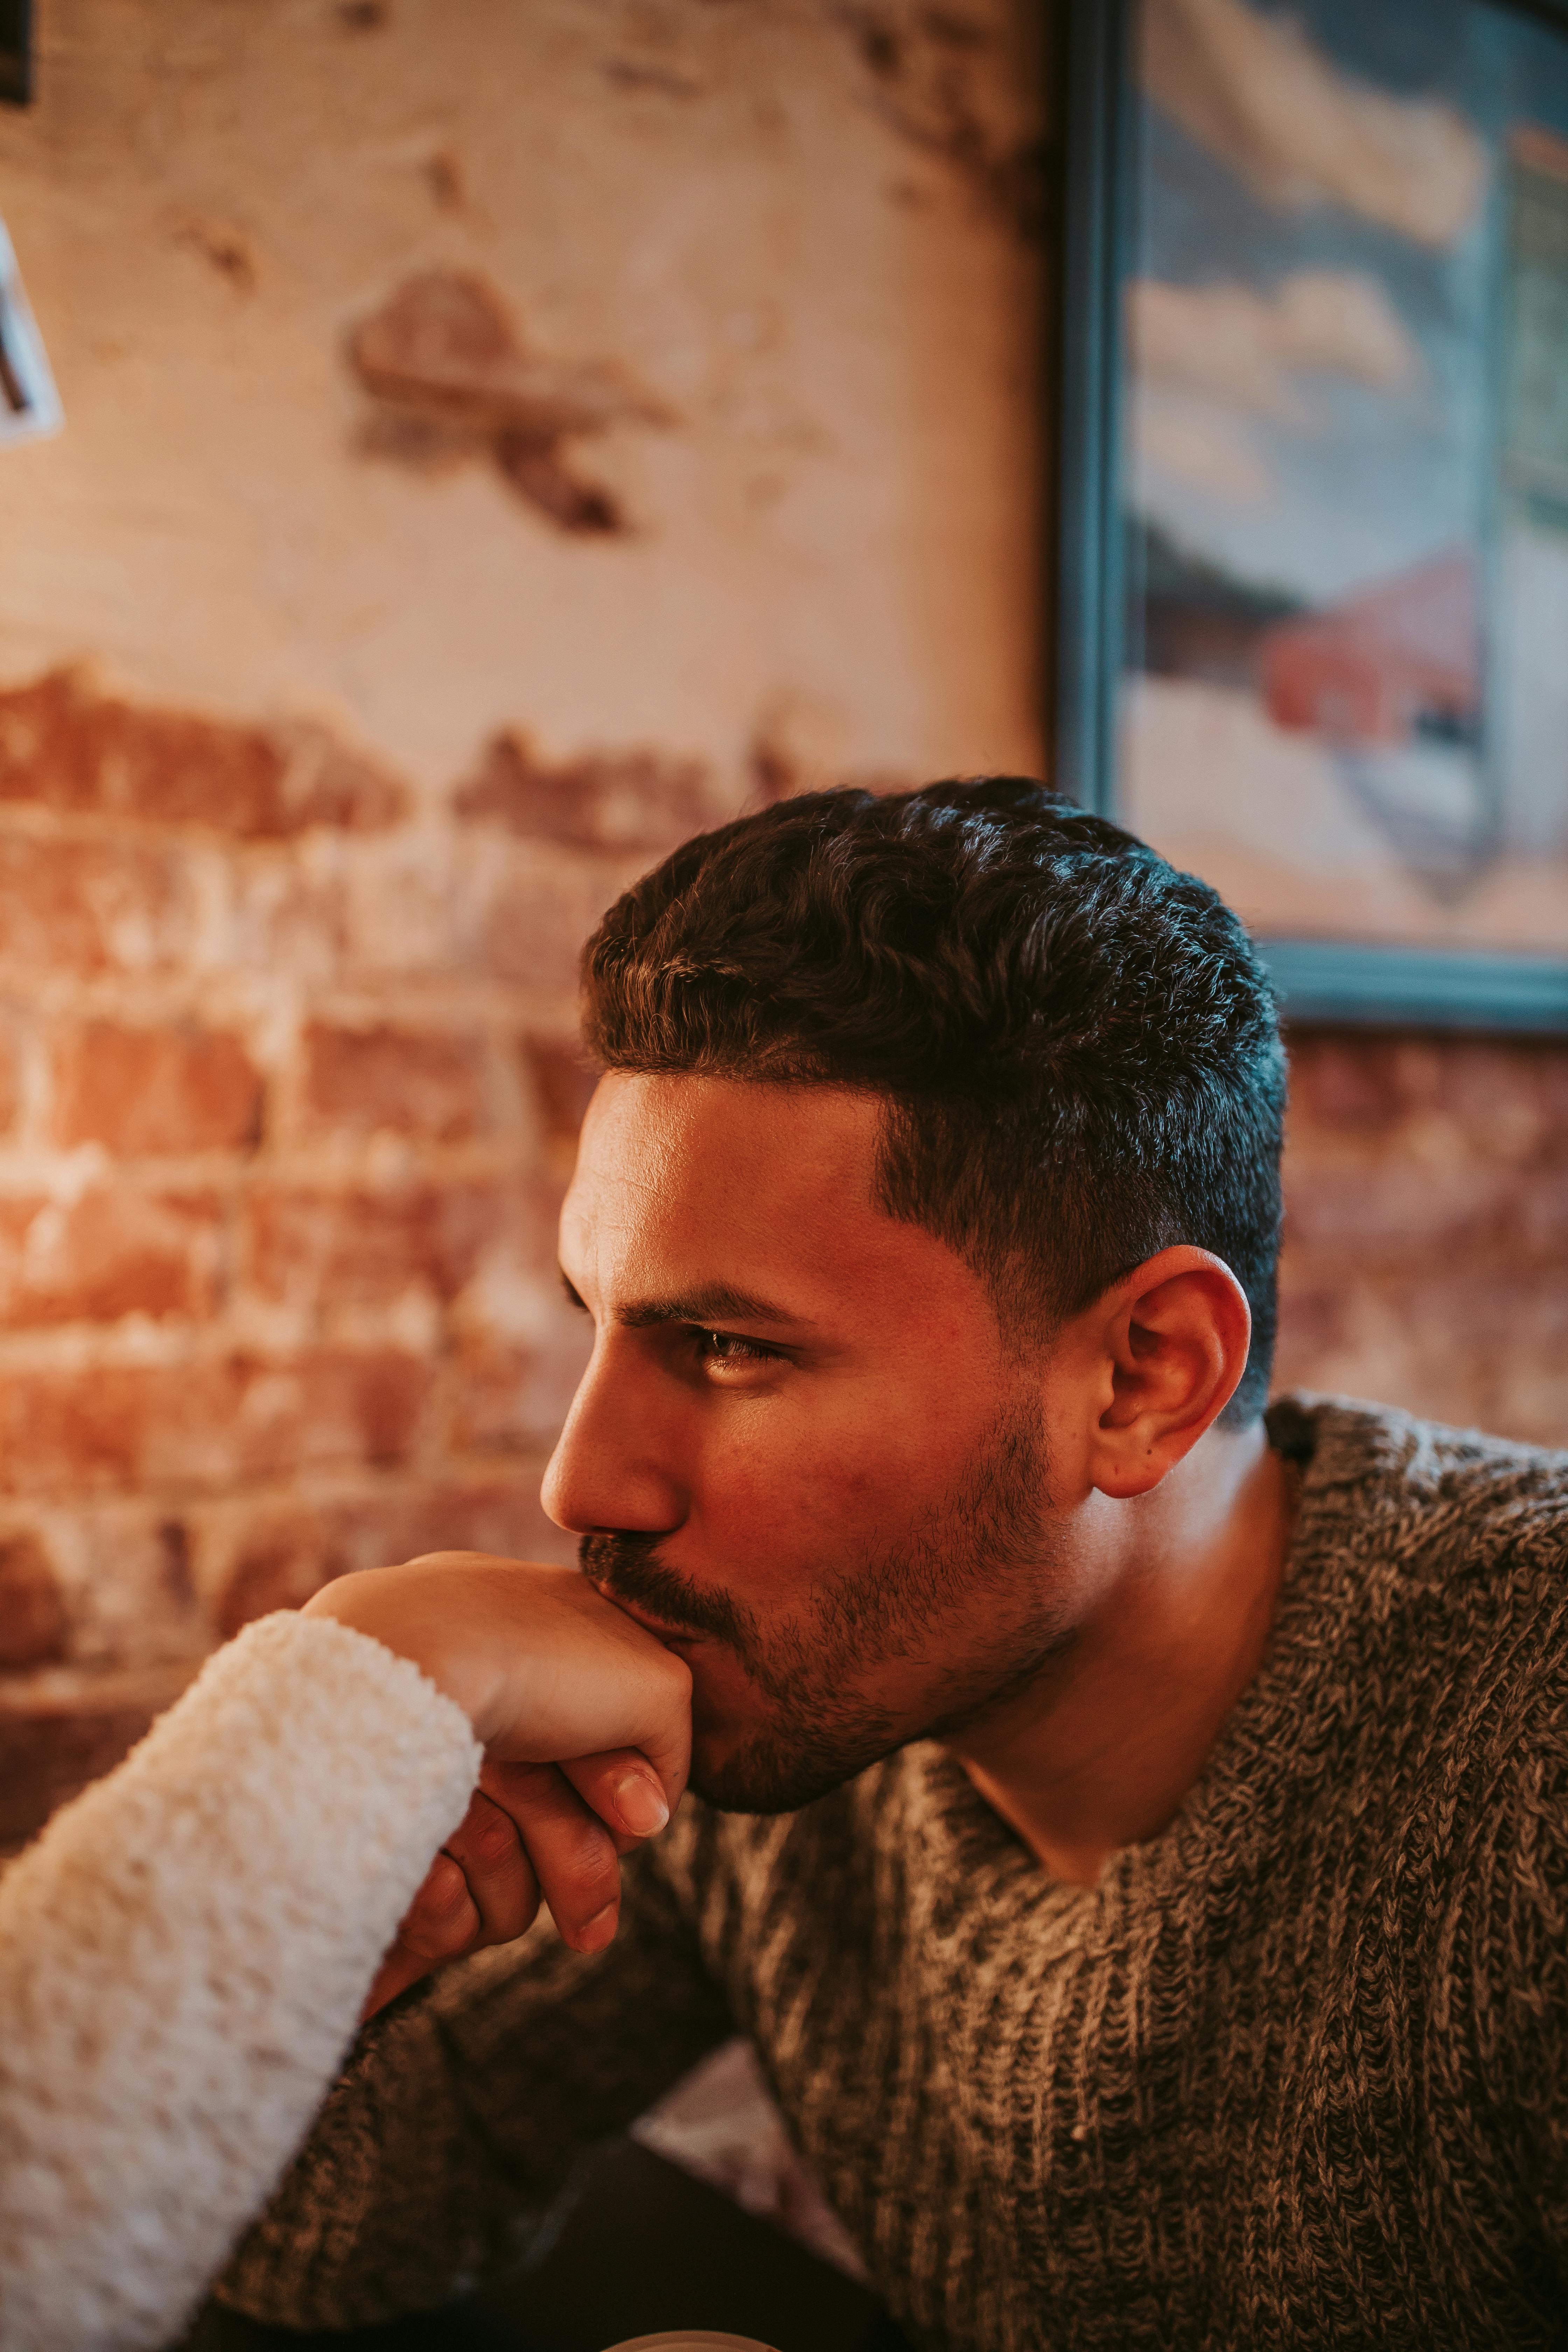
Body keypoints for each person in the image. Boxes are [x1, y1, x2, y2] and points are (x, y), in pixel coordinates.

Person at [6, 779, 1566, 2351]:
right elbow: (314, 2250)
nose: (580, 1479)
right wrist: (333, 1917)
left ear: (1143, 1378)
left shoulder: (1528, 1751)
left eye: (734, 1350)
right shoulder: (776, 1689)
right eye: (599, 1324)